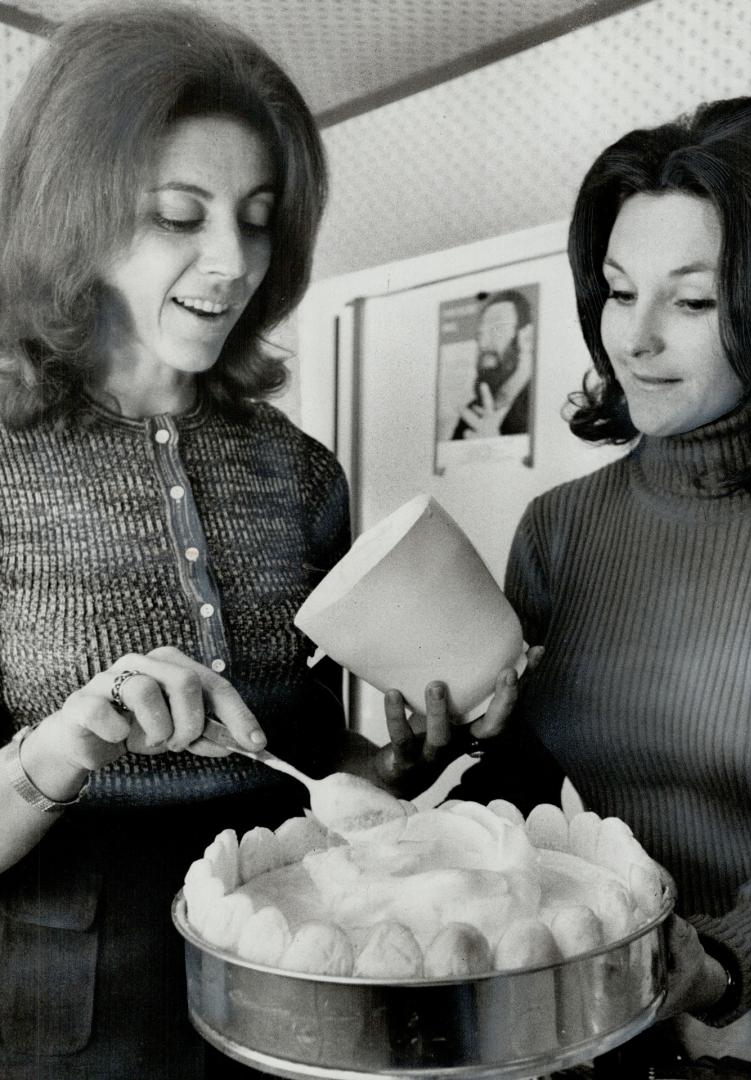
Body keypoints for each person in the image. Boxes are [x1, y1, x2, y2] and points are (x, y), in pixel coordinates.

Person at [0, 7, 518, 1079]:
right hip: (70, 1006)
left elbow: (317, 767)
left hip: (296, 962)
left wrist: (405, 761)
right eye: (178, 215)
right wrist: (66, 747)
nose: (231, 262)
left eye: (258, 217)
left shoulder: (299, 470)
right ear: (73, 214)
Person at [457, 94, 751, 1070]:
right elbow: (524, 797)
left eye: (691, 301)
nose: (632, 339)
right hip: (555, 1017)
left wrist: (699, 961)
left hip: (741, 1035)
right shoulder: (559, 528)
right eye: (618, 291)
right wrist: (444, 747)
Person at [452, 288, 534, 439]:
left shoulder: (542, 400)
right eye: (480, 334)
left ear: (527, 337)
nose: (482, 343)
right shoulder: (473, 412)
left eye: (496, 328)